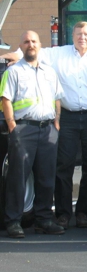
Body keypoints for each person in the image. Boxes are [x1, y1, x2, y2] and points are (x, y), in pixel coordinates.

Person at [0, 31, 64, 238]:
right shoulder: (13, 72)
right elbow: (6, 100)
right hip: (23, 129)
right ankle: (13, 222)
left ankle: (44, 219)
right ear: (21, 45)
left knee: (46, 177)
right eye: (26, 42)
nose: (31, 44)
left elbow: (57, 97)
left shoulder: (49, 72)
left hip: (47, 130)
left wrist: (56, 121)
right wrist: (12, 127)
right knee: (17, 178)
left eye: (34, 41)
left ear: (39, 44)